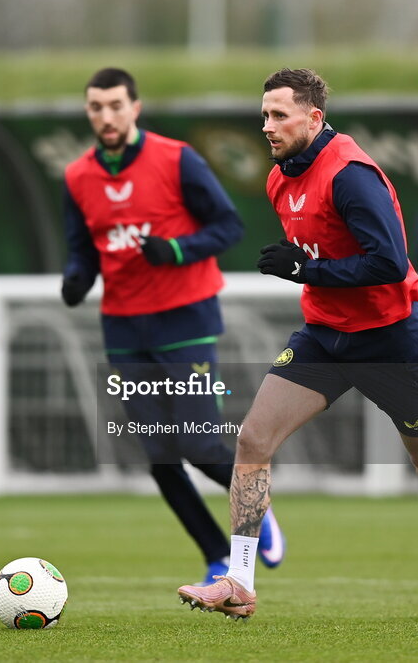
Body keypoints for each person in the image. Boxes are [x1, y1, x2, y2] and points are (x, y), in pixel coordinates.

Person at [177, 68, 418, 619]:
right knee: (252, 440)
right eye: (264, 115)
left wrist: (308, 268)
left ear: (314, 117)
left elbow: (387, 263)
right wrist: (310, 272)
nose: (267, 125)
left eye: (279, 115)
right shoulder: (279, 177)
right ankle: (238, 581)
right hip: (323, 338)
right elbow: (323, 260)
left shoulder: (352, 174)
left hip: (390, 339)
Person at [61, 68, 285, 585]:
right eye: (96, 107)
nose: (106, 115)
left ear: (135, 107)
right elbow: (83, 249)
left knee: (199, 442)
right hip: (122, 328)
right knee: (160, 456)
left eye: (116, 104)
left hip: (185, 319)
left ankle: (258, 511)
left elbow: (229, 225)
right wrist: (76, 278)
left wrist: (177, 250)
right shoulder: (77, 177)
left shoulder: (176, 158)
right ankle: (215, 557)